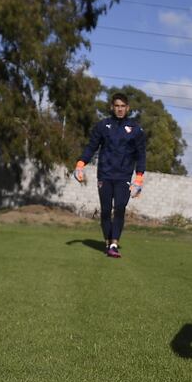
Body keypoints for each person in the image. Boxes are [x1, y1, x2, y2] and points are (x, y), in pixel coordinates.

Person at [74, 93, 147, 258]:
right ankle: (108, 241)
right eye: (117, 106)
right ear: (112, 107)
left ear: (127, 108)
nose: (120, 109)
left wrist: (139, 178)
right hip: (105, 175)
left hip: (124, 177)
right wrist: (80, 164)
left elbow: (141, 155)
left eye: (123, 106)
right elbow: (91, 147)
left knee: (120, 208)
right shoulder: (102, 126)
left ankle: (114, 243)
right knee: (106, 211)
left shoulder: (136, 130)